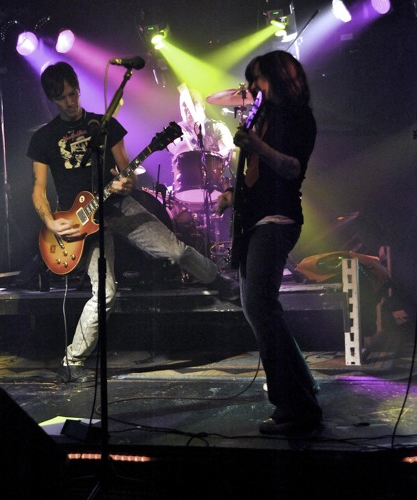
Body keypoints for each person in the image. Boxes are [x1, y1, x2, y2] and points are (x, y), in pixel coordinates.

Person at [27, 62, 239, 383]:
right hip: (78, 222)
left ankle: (217, 280)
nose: (70, 102)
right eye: (62, 98)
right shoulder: (44, 138)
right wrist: (51, 223)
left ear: (79, 90)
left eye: (73, 94)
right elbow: (38, 190)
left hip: (117, 206)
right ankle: (71, 362)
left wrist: (126, 183)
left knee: (176, 250)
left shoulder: (105, 125)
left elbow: (127, 171)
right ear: (51, 100)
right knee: (105, 294)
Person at [216, 50, 323, 435]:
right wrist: (233, 195)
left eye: (257, 79)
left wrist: (258, 147)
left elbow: (292, 167)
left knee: (261, 305)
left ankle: (296, 408)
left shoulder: (298, 117)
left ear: (277, 77)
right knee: (256, 307)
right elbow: (258, 174)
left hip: (278, 219)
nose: (252, 87)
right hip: (255, 220)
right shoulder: (264, 118)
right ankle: (301, 391)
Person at [167, 84, 235, 210]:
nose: (188, 108)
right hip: (187, 187)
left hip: (217, 185)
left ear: (202, 105)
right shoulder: (176, 131)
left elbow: (229, 151)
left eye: (193, 103)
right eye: (184, 105)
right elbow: (177, 151)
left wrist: (212, 157)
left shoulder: (217, 127)